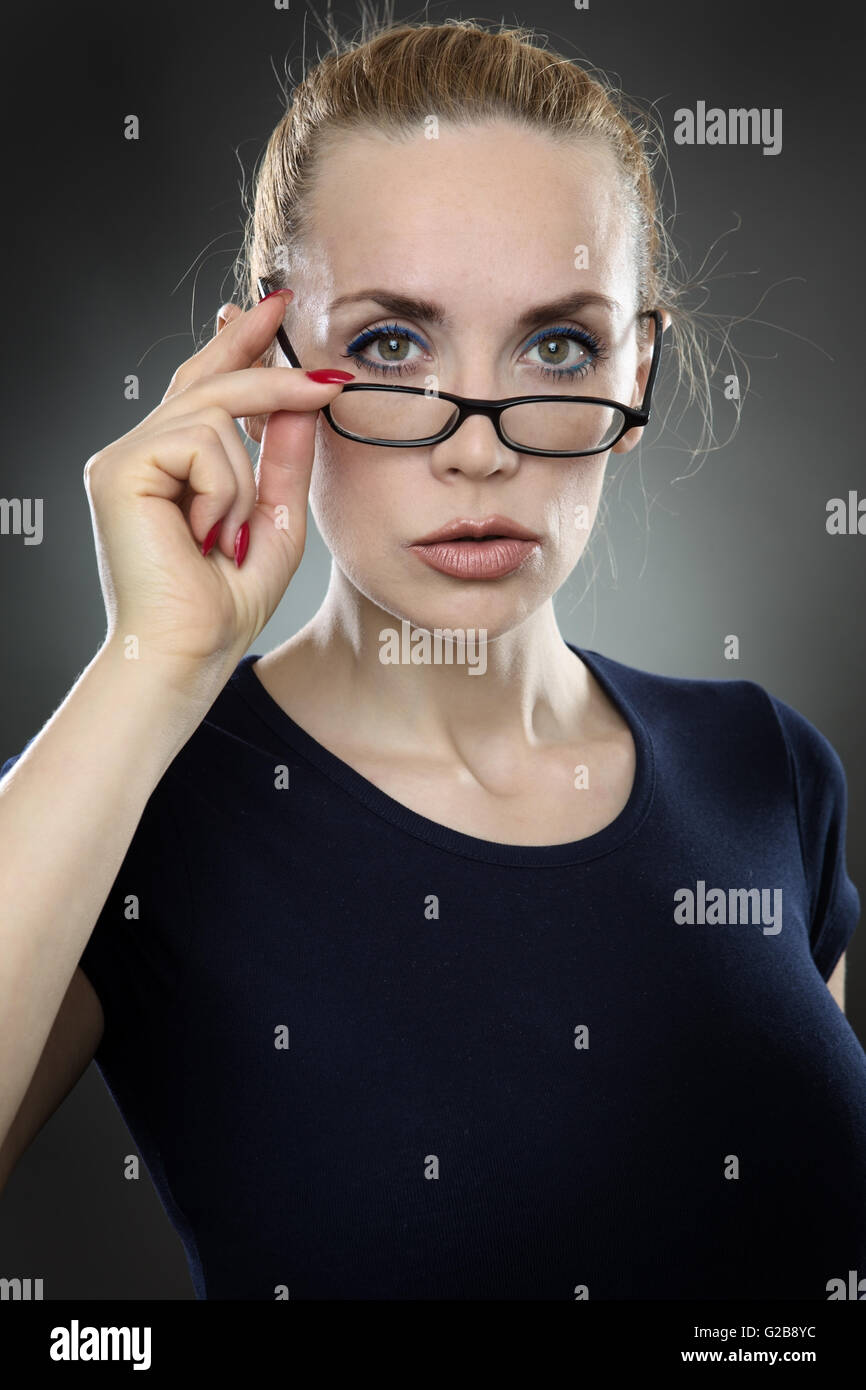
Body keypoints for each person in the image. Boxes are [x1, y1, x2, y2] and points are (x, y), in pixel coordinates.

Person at [1, 15, 864, 1301]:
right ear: (268, 365)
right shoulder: (142, 794)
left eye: (557, 344)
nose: (478, 450)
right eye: (394, 343)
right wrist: (151, 660)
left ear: (638, 372)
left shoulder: (765, 766)